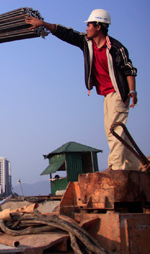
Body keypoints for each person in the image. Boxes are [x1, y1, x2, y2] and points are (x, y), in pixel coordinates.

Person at [26, 9, 139, 170]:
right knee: (117, 131)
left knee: (114, 131)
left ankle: (116, 167)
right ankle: (134, 166)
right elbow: (67, 34)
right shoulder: (88, 43)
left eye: (89, 25)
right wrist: (43, 24)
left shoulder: (115, 48)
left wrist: (132, 92)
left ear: (99, 27)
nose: (86, 28)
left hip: (118, 93)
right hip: (107, 94)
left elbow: (129, 70)